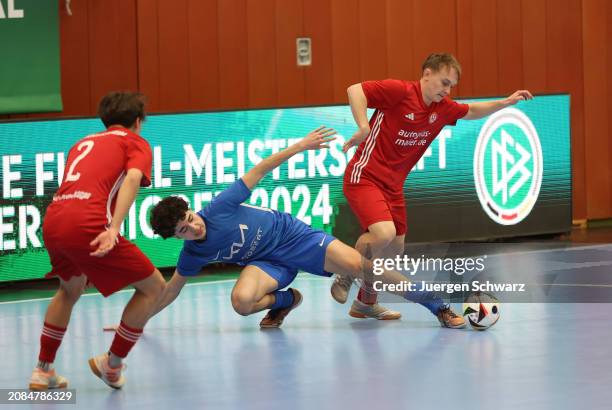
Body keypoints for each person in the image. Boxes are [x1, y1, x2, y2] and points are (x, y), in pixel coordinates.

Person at [147, 127, 465, 330]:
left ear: (191, 210)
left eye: (189, 217)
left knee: (361, 267)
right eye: (183, 230)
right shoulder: (192, 253)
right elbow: (171, 289)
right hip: (266, 264)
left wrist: (301, 145)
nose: (192, 226)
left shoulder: (219, 207)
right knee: (242, 303)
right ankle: (286, 301)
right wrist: (139, 322)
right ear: (177, 238)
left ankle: (437, 305)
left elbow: (260, 168)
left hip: (293, 237)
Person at [333, 53, 533, 318]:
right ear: (427, 74)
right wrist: (363, 127)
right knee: (383, 233)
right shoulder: (400, 92)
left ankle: (365, 302)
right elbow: (355, 90)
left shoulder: (442, 108)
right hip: (365, 176)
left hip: (393, 187)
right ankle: (345, 272)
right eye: (444, 82)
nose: (447, 90)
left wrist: (506, 102)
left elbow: (471, 110)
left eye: (451, 86)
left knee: (394, 248)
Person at [29, 92, 166, 390]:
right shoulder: (134, 141)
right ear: (138, 122)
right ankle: (112, 363)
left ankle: (43, 370)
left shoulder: (81, 143)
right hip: (89, 223)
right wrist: (114, 227)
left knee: (69, 289)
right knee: (154, 288)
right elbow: (131, 179)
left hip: (54, 220)